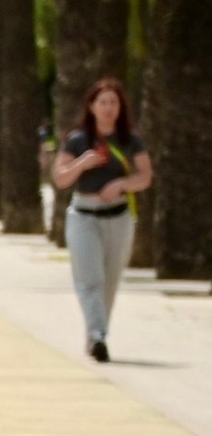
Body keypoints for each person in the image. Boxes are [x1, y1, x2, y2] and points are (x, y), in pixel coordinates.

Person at [53, 75, 152, 362]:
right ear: (92, 106)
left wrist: (122, 185)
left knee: (109, 280)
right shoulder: (77, 139)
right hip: (83, 216)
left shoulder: (130, 139)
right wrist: (82, 162)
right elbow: (60, 179)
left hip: (118, 217)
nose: (108, 108)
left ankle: (95, 334)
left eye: (114, 102)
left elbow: (145, 176)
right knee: (90, 279)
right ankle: (98, 335)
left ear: (120, 107)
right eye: (103, 102)